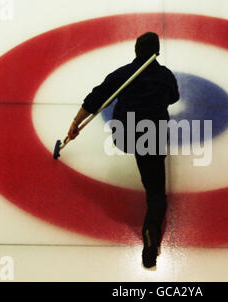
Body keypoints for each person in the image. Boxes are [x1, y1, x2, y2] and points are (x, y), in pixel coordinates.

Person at [67, 32, 180, 268]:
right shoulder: (166, 76)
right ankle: (151, 234)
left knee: (138, 139)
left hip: (124, 137)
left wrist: (75, 124)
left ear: (136, 51)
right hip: (152, 137)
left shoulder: (122, 75)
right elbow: (173, 98)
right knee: (156, 192)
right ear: (157, 52)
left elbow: (95, 99)